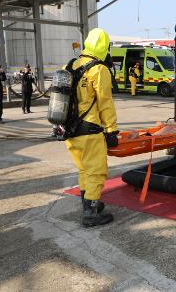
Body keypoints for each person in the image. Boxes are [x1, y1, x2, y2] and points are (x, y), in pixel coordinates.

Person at [65, 28, 119, 227]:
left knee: (83, 169)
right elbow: (105, 103)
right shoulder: (99, 69)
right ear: (104, 46)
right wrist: (112, 130)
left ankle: (88, 202)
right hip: (90, 129)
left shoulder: (70, 65)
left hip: (69, 129)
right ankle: (91, 213)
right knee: (96, 171)